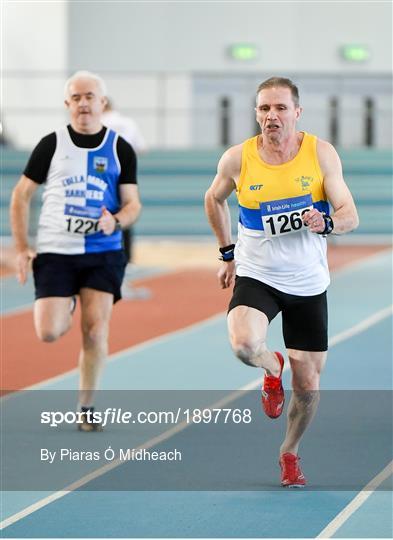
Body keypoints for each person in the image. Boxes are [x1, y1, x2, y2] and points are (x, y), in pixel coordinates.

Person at [205, 77, 359, 487]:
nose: (271, 116)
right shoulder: (238, 159)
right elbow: (213, 199)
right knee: (242, 344)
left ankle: (289, 451)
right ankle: (271, 367)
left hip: (308, 283)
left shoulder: (320, 154)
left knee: (307, 386)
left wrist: (325, 221)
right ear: (256, 114)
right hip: (258, 275)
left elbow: (349, 215)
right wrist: (227, 253)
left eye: (279, 108)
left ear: (297, 112)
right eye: (263, 109)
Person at [10, 71, 141, 431]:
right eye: (76, 97)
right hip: (55, 251)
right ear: (68, 104)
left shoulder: (119, 148)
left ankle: (87, 406)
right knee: (49, 332)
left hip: (103, 250)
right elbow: (21, 195)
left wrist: (116, 220)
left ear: (103, 102)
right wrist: (22, 247)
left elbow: (133, 205)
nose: (83, 103)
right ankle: (64, 300)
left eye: (90, 97)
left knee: (95, 330)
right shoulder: (51, 144)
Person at [102, 99, 148, 298]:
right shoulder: (128, 123)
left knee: (103, 223)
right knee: (124, 220)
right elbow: (141, 148)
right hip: (124, 178)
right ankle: (122, 271)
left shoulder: (98, 123)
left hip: (100, 179)